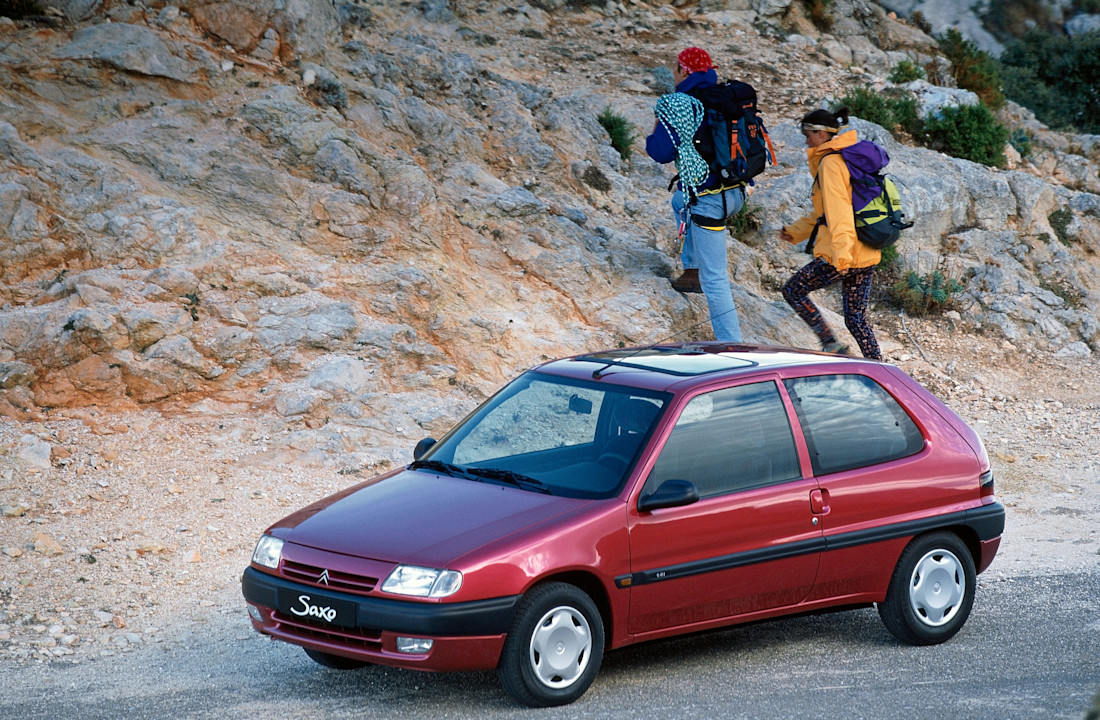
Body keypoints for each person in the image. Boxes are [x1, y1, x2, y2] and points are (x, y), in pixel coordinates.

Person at [645, 47, 745, 344]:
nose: (673, 74)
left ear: (684, 70)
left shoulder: (678, 104)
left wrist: (658, 122)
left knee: (716, 280)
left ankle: (733, 347)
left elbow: (659, 152)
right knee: (679, 200)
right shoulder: (723, 97)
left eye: (675, 69)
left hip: (710, 200)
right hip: (736, 193)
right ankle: (691, 270)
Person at [778, 107, 884, 361]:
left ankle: (830, 344)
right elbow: (823, 213)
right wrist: (794, 232)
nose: (806, 140)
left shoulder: (830, 163)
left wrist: (842, 256)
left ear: (822, 134)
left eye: (808, 134)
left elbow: (839, 213)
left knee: (793, 290)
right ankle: (878, 366)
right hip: (866, 249)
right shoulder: (843, 157)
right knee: (856, 317)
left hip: (844, 252)